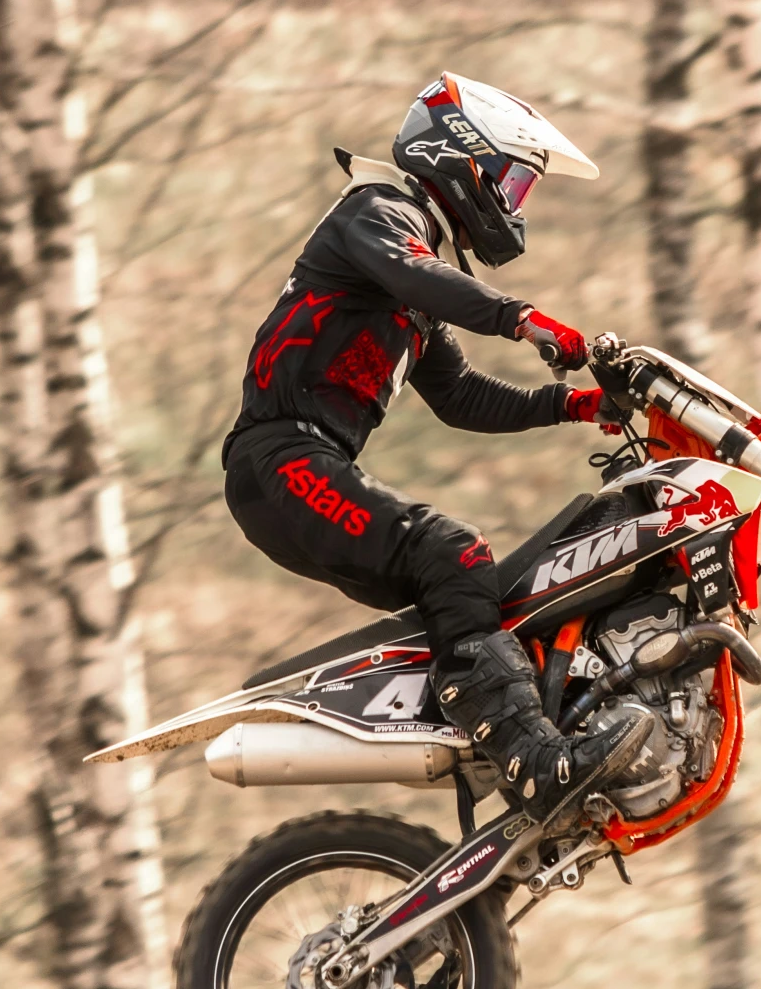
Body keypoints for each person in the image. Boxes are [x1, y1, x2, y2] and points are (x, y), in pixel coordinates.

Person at [222, 73, 649, 821]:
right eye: (513, 180)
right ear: (462, 157)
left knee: (486, 588)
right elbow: (420, 273)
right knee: (452, 552)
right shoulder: (377, 211)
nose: (514, 203)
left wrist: (572, 404)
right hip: (279, 461)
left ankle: (505, 719)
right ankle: (531, 757)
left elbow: (459, 397)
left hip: (303, 464)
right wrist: (525, 319)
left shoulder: (415, 281)